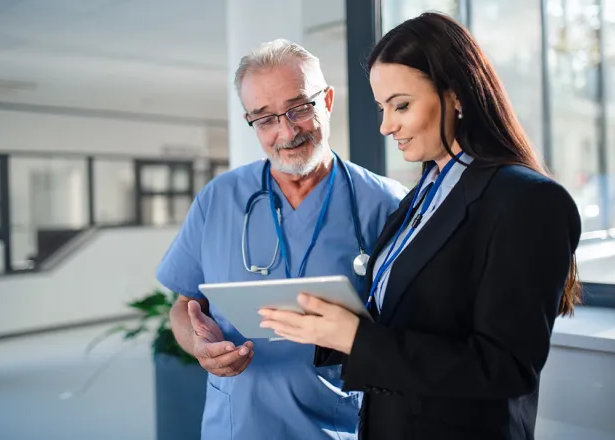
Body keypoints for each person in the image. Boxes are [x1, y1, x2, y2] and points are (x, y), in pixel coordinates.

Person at [258, 13, 583, 440]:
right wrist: (332, 325)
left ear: (457, 95)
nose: (386, 125)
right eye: (382, 108)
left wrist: (359, 339)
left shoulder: (526, 200)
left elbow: (505, 368)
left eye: (401, 105)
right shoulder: (421, 197)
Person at [156, 39, 407, 440]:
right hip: (237, 426)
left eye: (299, 109)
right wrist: (199, 346)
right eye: (265, 119)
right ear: (250, 122)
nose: (286, 131)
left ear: (326, 100)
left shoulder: (385, 203)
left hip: (341, 425)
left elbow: (411, 330)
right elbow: (184, 306)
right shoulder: (218, 199)